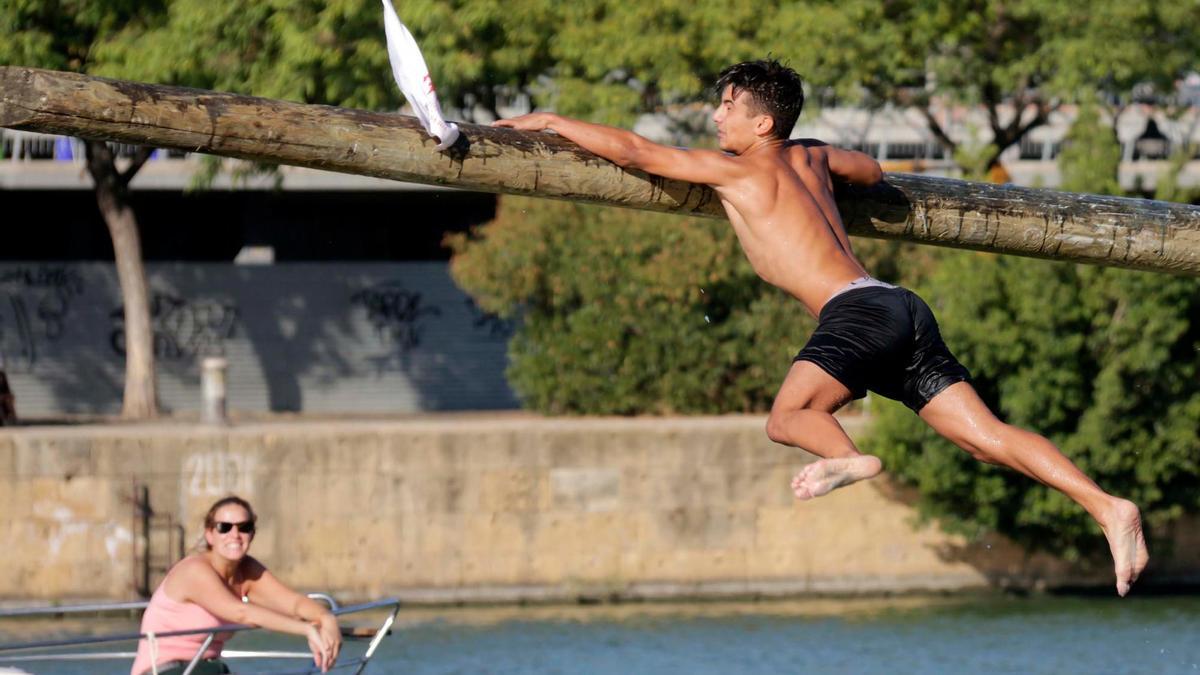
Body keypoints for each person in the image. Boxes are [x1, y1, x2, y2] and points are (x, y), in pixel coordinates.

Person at [495, 58, 1150, 596]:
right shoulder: (808, 159)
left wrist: (549, 119)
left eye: (728, 106)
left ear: (762, 121)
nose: (716, 116)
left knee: (786, 418)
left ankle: (846, 457)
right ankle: (1105, 505)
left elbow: (636, 150)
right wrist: (815, 157)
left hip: (854, 313)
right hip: (900, 306)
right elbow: (869, 171)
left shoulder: (736, 169)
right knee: (987, 438)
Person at [130, 496, 341, 675]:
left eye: (244, 527)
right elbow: (241, 613)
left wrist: (326, 617)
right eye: (224, 527)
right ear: (210, 534)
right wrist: (307, 630)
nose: (235, 535)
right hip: (164, 670)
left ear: (252, 534)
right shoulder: (194, 570)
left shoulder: (247, 570)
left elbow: (293, 603)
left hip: (207, 668)